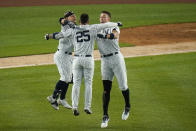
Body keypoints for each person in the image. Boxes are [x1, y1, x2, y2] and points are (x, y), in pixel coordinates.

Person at [45, 13, 122, 116]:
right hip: (88, 60)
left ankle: (75, 107)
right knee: (88, 84)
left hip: (76, 59)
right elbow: (105, 25)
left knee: (76, 83)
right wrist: (116, 23)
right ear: (88, 21)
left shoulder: (73, 29)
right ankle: (87, 107)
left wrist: (48, 36)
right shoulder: (93, 28)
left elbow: (59, 35)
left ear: (80, 21)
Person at [96, 11, 131, 128]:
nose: (101, 18)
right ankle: (105, 116)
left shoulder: (114, 26)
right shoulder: (96, 28)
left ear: (109, 18)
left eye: (104, 17)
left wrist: (104, 36)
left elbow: (114, 35)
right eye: (100, 17)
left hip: (116, 58)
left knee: (123, 86)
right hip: (104, 61)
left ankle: (127, 106)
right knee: (106, 89)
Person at [45, 11, 76, 110]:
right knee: (64, 78)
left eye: (74, 15)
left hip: (69, 56)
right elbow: (61, 23)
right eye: (72, 16)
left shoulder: (74, 26)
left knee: (70, 78)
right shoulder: (66, 26)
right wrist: (49, 36)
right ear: (67, 18)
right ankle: (53, 97)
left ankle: (62, 99)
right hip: (61, 55)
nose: (74, 17)